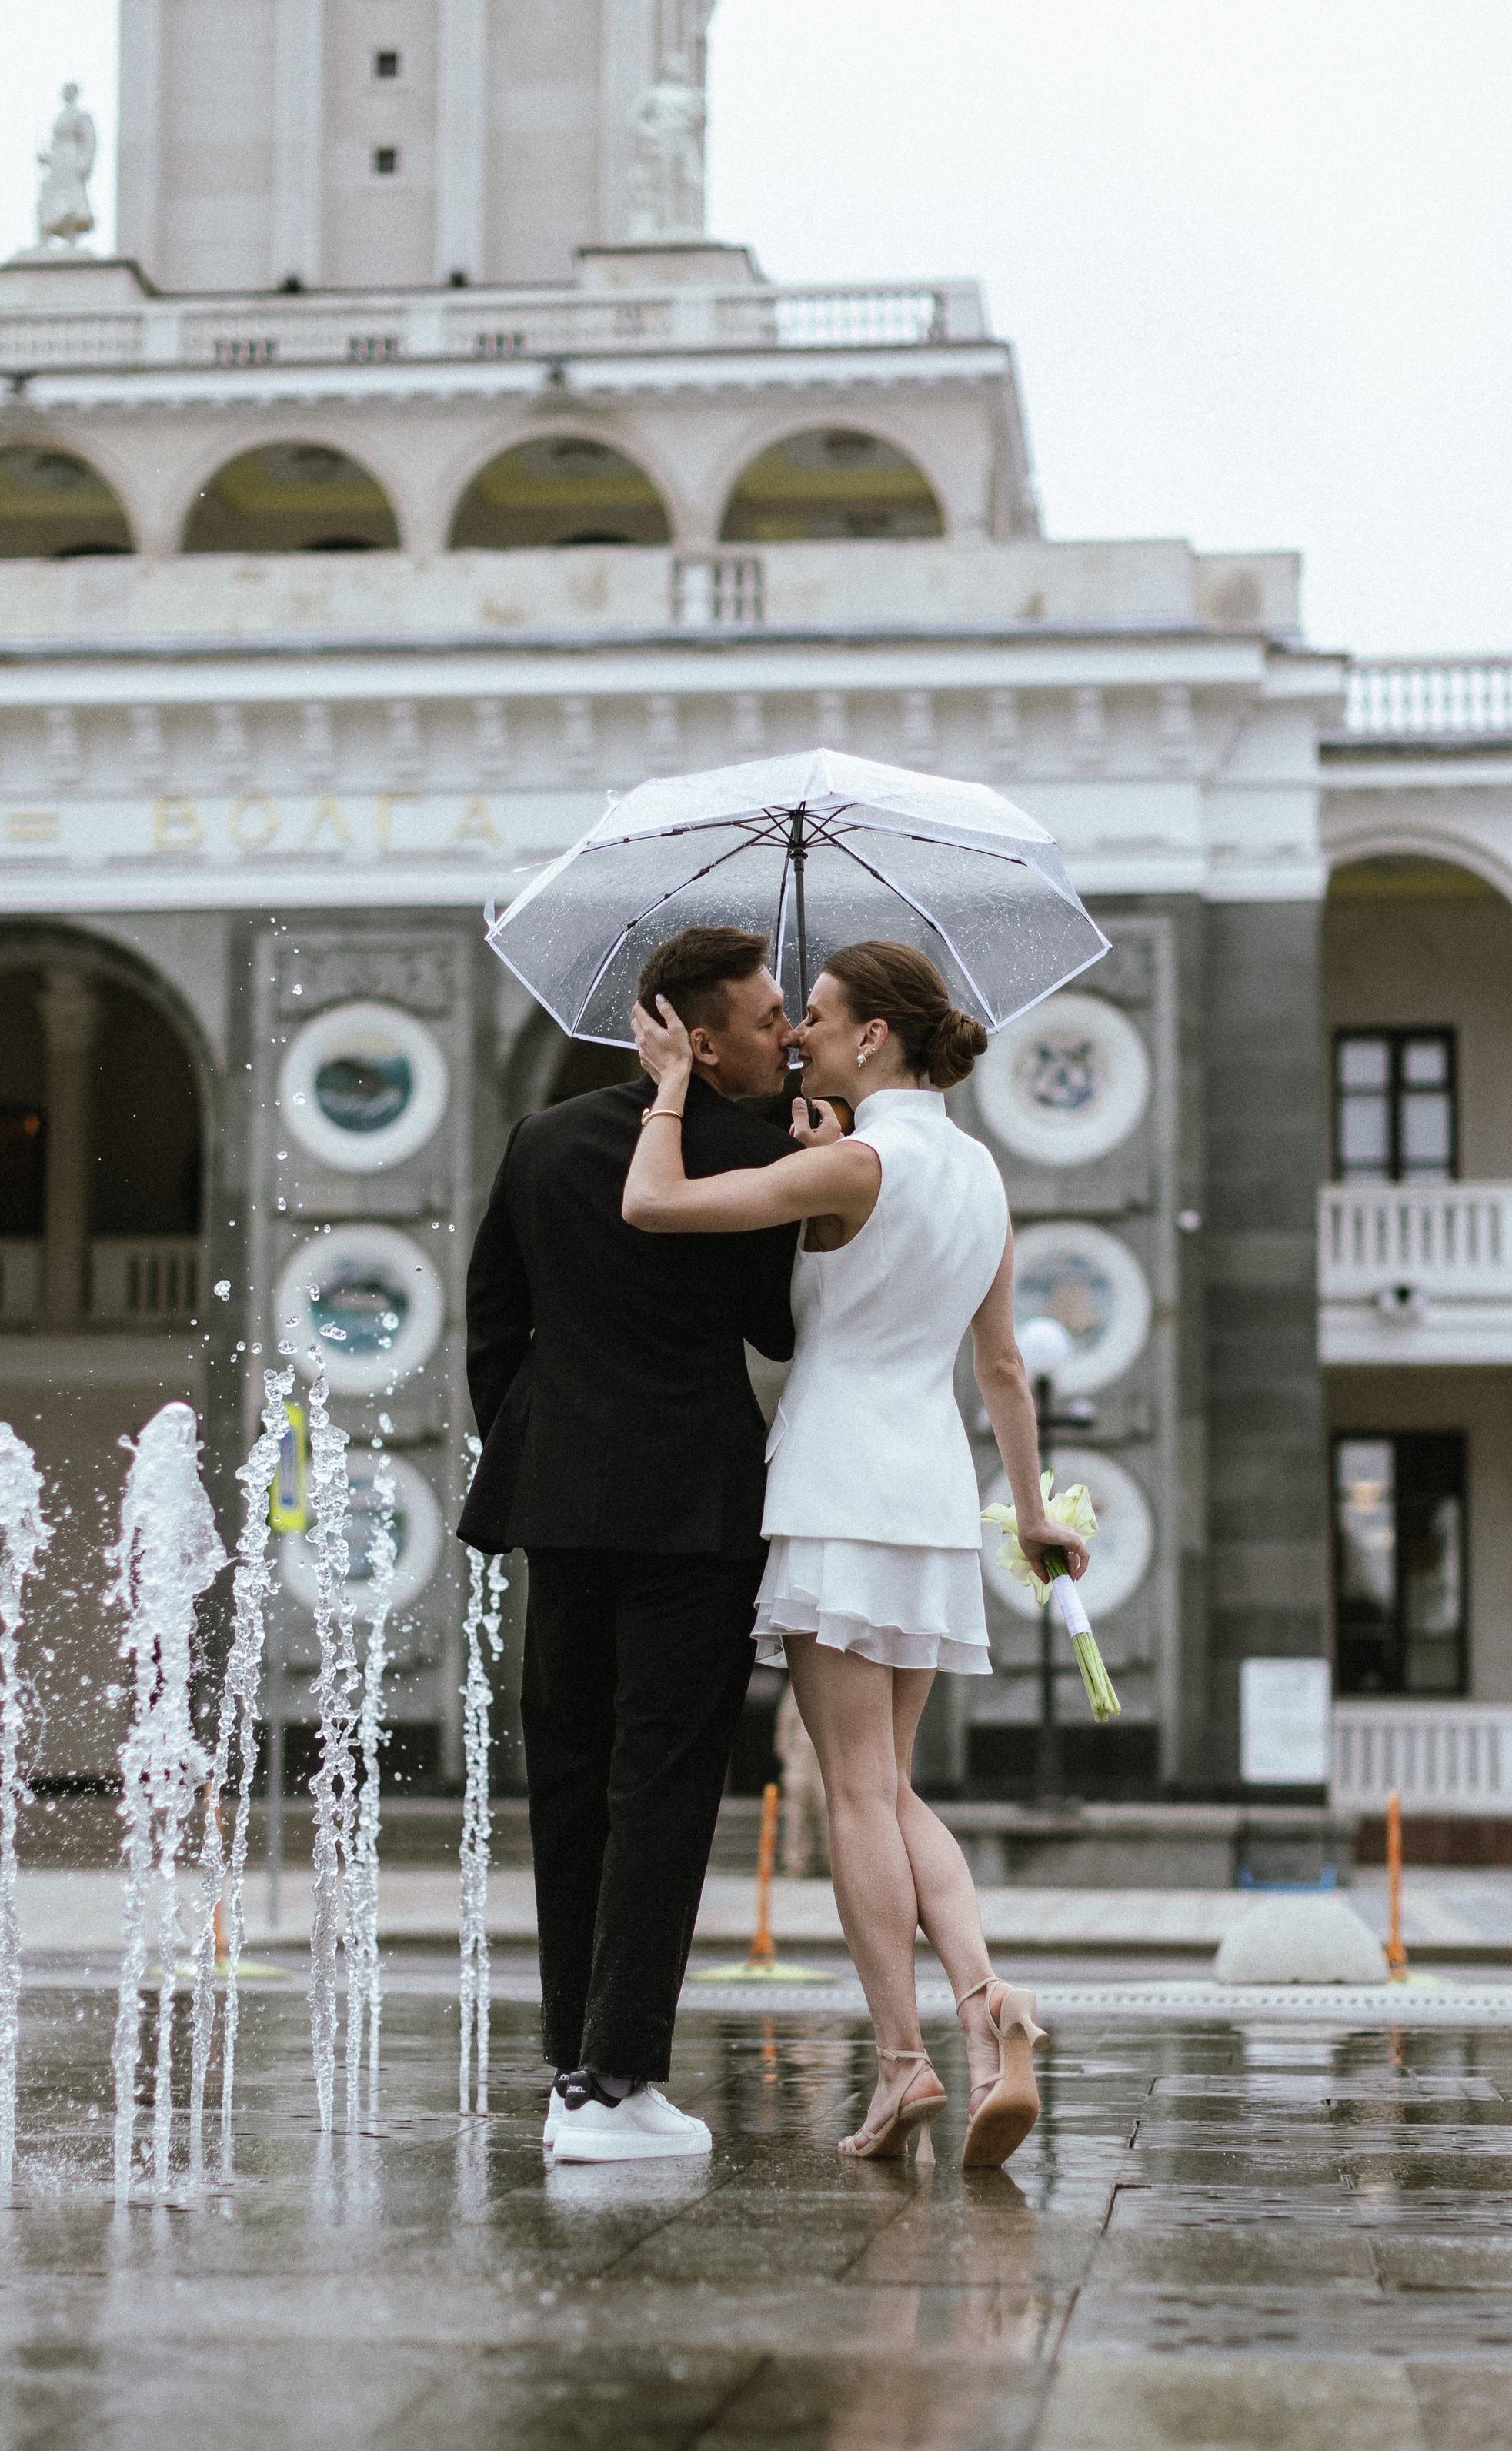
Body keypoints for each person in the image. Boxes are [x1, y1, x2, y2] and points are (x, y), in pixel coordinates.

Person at [626, 940, 1090, 2170]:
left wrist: (671, 1083)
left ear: (873, 1037)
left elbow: (654, 1203)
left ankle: (902, 2064)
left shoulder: (850, 1162)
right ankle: (988, 2004)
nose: (798, 1037)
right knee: (891, 1783)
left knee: (855, 1796)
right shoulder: (982, 1171)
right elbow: (1000, 1364)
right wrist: (1032, 1511)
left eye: (818, 1018)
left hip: (835, 1484)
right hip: (934, 1491)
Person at [459, 926, 796, 2162]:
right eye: (768, 1019)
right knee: (662, 1786)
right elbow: (775, 1331)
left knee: (568, 1779)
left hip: (563, 1501)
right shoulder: (758, 1155)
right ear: (702, 1040)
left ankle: (571, 2066)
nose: (787, 1033)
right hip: (694, 1509)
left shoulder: (543, 1141)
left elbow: (493, 1321)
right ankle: (620, 2075)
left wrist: (542, 1441)